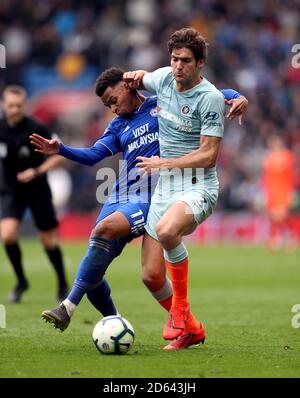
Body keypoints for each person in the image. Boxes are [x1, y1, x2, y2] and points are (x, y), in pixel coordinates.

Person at [30, 67, 247, 332]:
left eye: (113, 100)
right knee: (95, 269)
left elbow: (209, 94)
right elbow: (94, 155)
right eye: (107, 105)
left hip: (151, 195)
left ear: (127, 86)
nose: (113, 108)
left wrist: (236, 96)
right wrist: (60, 149)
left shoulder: (164, 102)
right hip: (120, 194)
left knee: (103, 230)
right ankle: (119, 321)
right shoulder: (118, 125)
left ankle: (67, 307)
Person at [123, 27, 246, 349]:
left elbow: (208, 156)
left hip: (197, 186)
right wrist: (135, 75)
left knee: (166, 231)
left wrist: (163, 163)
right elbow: (143, 79)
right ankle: (190, 327)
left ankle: (179, 310)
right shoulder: (163, 78)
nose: (178, 66)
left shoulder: (209, 99)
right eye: (175, 59)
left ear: (200, 63)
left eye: (186, 61)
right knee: (150, 276)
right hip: (165, 188)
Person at [0, 85, 69, 302]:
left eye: (18, 105)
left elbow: (60, 155)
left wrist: (37, 171)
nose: (14, 109)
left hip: (38, 189)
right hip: (11, 190)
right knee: (8, 235)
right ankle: (21, 281)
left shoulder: (37, 127)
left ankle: (62, 284)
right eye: (10, 105)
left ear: (24, 105)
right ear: (4, 105)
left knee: (48, 241)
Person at [262, 134, 297, 251]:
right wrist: (265, 192)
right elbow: (266, 178)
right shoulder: (269, 158)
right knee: (273, 216)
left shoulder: (287, 156)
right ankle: (276, 238)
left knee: (283, 215)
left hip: (283, 190)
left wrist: (290, 192)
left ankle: (289, 237)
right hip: (272, 191)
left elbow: (291, 176)